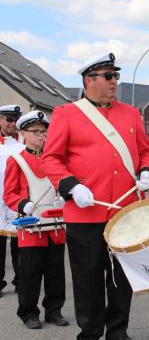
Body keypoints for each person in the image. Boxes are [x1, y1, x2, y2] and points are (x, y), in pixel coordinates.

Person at [41, 53, 149, 340]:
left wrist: (146, 170)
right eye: (108, 76)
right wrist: (71, 186)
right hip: (85, 214)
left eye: (115, 76)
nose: (114, 82)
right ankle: (90, 334)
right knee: (88, 281)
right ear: (88, 80)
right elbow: (51, 159)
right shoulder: (67, 113)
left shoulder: (130, 113)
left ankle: (118, 332)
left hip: (124, 213)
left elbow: (146, 151)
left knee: (121, 280)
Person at [4, 111, 68, 329]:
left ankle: (54, 310)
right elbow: (9, 194)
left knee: (56, 273)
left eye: (44, 131)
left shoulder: (55, 160)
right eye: (36, 132)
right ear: (23, 133)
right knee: (30, 273)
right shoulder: (17, 160)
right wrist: (23, 205)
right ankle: (28, 312)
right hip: (31, 227)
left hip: (56, 225)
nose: (42, 136)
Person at [0, 104, 24, 298]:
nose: (12, 124)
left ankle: (21, 281)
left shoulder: (24, 142)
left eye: (16, 120)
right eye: (8, 119)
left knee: (20, 245)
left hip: (17, 198)